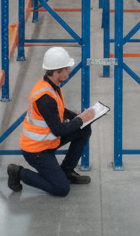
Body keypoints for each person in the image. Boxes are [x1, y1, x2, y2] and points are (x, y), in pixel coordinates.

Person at [7, 47, 95, 197]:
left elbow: (59, 110)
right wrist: (81, 119)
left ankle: (67, 171)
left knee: (84, 130)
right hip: (36, 150)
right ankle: (19, 173)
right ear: (56, 72)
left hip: (47, 140)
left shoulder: (51, 85)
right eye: (66, 69)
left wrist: (79, 116)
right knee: (61, 189)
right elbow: (59, 130)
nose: (69, 72)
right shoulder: (45, 97)